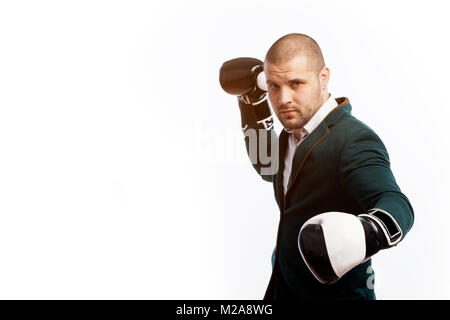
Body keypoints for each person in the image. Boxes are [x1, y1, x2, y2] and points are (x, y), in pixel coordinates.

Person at [219, 33, 414, 300]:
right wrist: (252, 103)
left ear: (323, 77)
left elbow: (394, 202)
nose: (283, 99)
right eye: (273, 86)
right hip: (283, 288)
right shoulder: (293, 132)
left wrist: (369, 231)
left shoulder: (352, 140)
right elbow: (268, 166)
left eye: (296, 83)